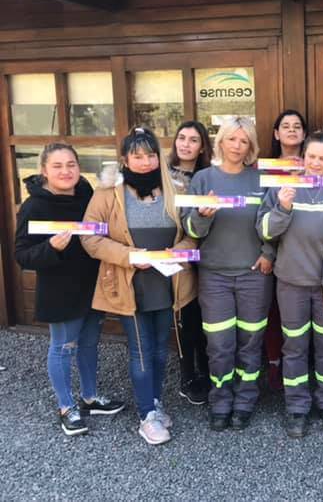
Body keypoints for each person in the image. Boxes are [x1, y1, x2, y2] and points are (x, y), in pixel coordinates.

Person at [81, 127, 197, 445]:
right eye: (137, 156)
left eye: (150, 155)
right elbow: (90, 238)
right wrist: (129, 256)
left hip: (167, 281)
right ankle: (146, 416)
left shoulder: (175, 187)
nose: (145, 162)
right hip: (129, 282)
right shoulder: (108, 193)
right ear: (125, 159)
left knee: (161, 349)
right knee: (141, 351)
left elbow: (192, 232)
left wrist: (180, 250)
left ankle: (155, 402)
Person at [15, 143, 124, 436]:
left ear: (79, 167)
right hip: (60, 291)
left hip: (93, 285)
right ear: (44, 171)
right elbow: (22, 255)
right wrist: (50, 247)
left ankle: (89, 398)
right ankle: (66, 406)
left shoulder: (87, 196)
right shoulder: (34, 206)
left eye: (71, 165)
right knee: (63, 348)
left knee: (89, 344)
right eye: (58, 166)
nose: (66, 171)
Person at [257, 131, 323, 438]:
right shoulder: (283, 188)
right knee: (295, 347)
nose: (316, 163)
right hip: (291, 284)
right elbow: (264, 231)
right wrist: (283, 208)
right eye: (311, 157)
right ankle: (297, 407)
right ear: (303, 158)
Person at [183, 116, 274, 431]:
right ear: (220, 141)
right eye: (231, 139)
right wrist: (202, 215)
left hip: (254, 274)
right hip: (215, 275)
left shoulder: (261, 179)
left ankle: (245, 400)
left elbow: (274, 225)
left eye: (244, 141)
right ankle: (220, 400)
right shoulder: (203, 179)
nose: (237, 146)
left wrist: (268, 254)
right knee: (219, 343)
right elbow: (191, 228)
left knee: (250, 341)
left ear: (251, 146)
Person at [169, 120, 213, 405]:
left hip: (206, 253)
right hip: (177, 253)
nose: (186, 144)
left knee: (205, 319)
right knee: (185, 317)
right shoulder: (164, 175)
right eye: (181, 138)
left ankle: (209, 372)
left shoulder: (209, 176)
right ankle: (187, 374)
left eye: (193, 139)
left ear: (202, 147)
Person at [265, 110, 309, 391]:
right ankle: (273, 367)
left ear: (304, 134)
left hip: (302, 256)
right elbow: (259, 216)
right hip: (269, 252)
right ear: (276, 133)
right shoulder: (264, 168)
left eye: (297, 126)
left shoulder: (314, 167)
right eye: (285, 126)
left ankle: (302, 371)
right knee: (271, 314)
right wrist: (266, 252)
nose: (291, 130)